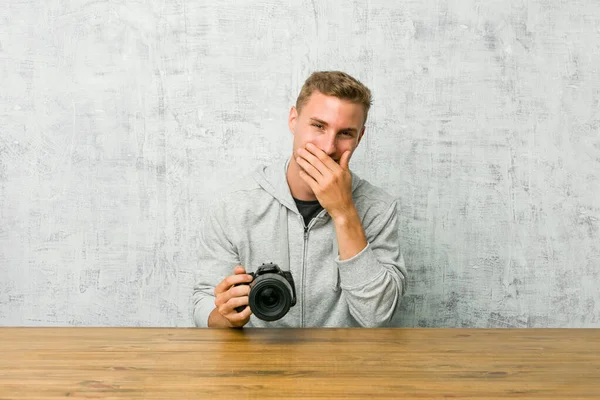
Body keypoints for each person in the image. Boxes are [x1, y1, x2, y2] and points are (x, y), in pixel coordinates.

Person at [193, 71, 407, 328]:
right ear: (293, 120)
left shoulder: (378, 209)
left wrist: (344, 212)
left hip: (345, 365)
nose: (328, 147)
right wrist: (224, 316)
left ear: (359, 138)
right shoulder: (235, 204)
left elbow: (377, 316)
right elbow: (203, 302)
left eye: (345, 133)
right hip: (259, 362)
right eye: (318, 126)